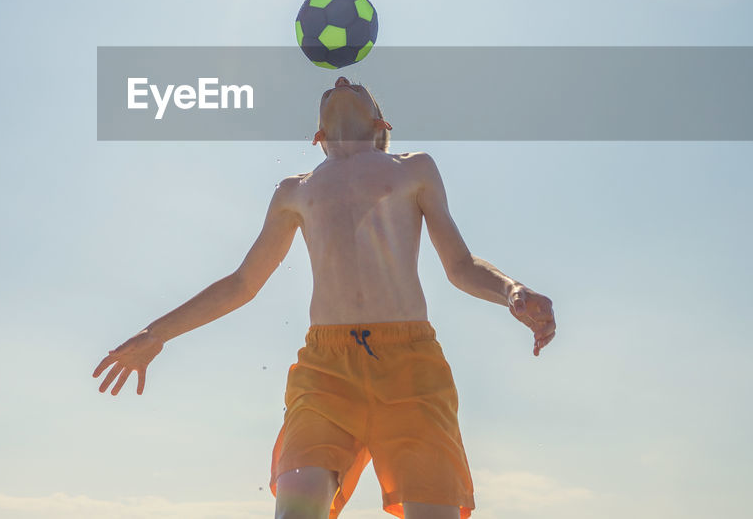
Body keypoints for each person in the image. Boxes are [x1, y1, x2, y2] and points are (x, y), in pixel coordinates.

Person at [94, 76, 557, 519]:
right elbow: (243, 283)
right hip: (325, 371)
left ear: (382, 126)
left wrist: (511, 290)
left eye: (357, 88)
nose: (340, 82)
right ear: (317, 135)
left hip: (412, 368)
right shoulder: (295, 190)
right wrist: (157, 333)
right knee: (298, 509)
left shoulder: (414, 169)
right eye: (332, 87)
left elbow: (459, 265)